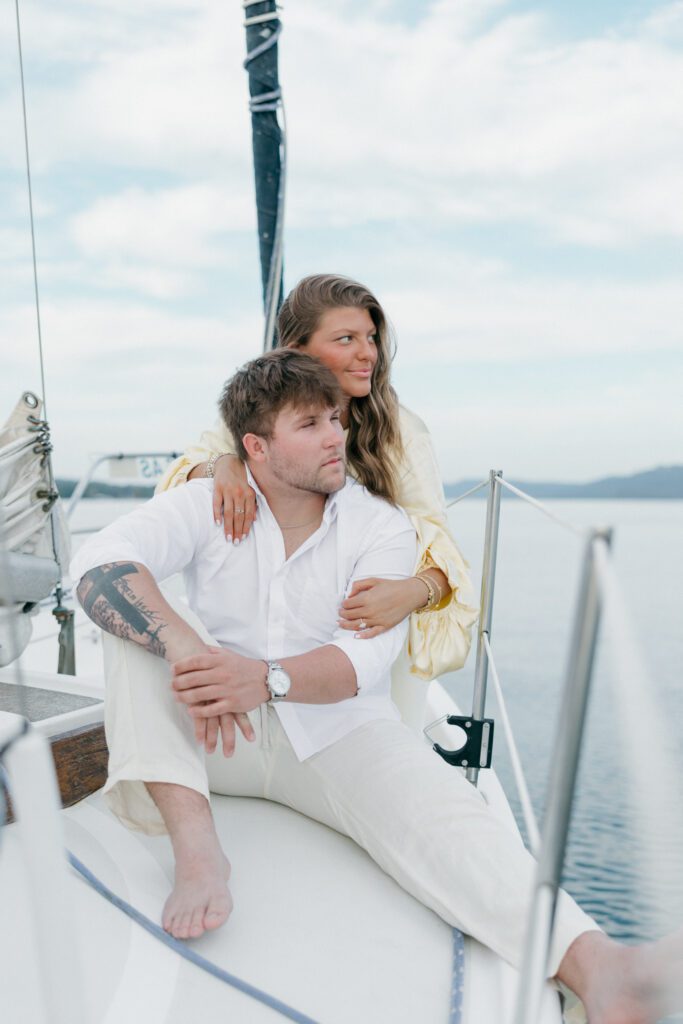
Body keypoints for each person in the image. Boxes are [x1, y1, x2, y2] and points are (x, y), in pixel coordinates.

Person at [72, 350, 680, 1024]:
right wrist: (192, 652)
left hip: (331, 726)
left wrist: (262, 679)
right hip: (215, 734)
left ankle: (603, 970)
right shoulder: (205, 504)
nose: (335, 436)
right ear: (257, 447)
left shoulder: (381, 526)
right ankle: (196, 848)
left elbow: (358, 664)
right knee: (132, 618)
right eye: (310, 424)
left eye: (335, 419)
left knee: (444, 814)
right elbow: (95, 562)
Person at [157, 274, 479, 730]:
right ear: (298, 350)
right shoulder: (258, 412)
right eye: (346, 339)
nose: (368, 354)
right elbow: (178, 484)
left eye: (371, 337)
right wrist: (223, 465)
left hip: (365, 627)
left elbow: (441, 547)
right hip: (268, 622)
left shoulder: (401, 432)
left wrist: (412, 592)